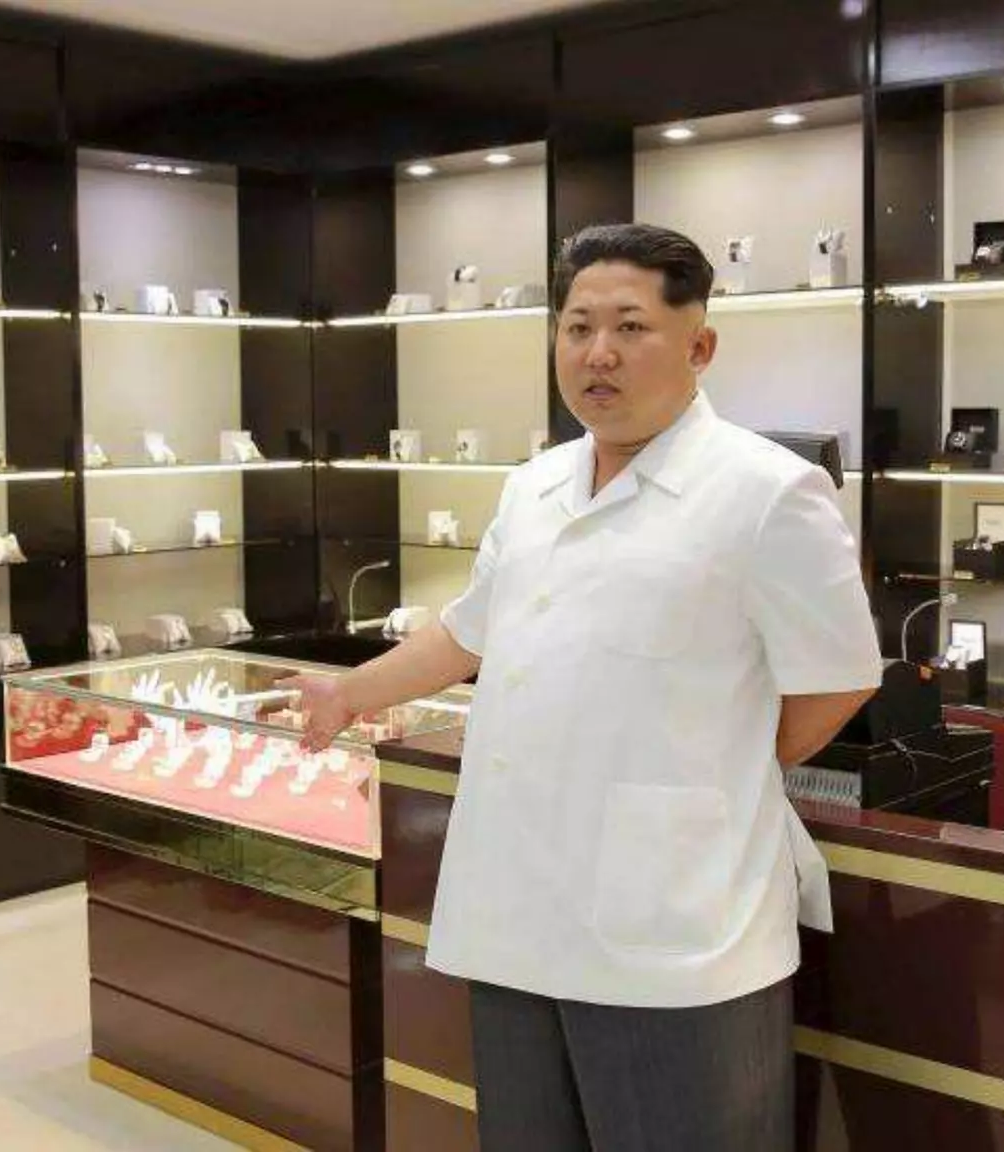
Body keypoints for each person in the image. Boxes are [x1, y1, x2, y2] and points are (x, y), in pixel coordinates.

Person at [285, 223, 882, 1149]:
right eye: (575, 327)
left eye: (631, 327)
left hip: (675, 926)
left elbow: (838, 682)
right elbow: (467, 630)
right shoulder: (534, 487)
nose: (597, 353)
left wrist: (703, 776)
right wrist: (348, 693)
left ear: (700, 344)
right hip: (519, 906)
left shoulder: (769, 492)